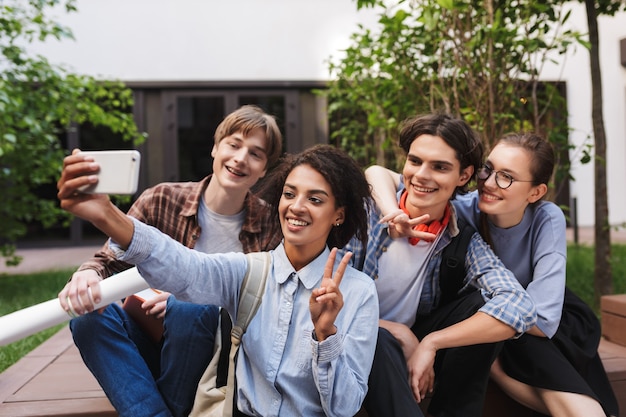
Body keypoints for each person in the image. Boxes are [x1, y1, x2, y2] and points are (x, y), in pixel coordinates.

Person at [57, 144, 379, 417]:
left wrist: (326, 337)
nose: (296, 206)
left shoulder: (358, 291)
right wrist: (107, 215)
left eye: (315, 199)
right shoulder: (249, 271)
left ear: (339, 214)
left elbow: (345, 408)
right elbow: (185, 267)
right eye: (290, 194)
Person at [367, 132, 618, 416]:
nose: (488, 182)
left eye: (506, 177)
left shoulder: (545, 217)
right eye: (488, 169)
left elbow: (543, 318)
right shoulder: (460, 206)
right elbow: (377, 173)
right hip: (491, 314)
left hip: (548, 320)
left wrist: (442, 342)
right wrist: (391, 212)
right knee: (493, 333)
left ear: (535, 192)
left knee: (515, 348)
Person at [57, 104, 284, 417]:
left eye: (256, 154)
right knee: (87, 317)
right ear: (216, 148)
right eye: (233, 144)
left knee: (190, 307)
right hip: (149, 338)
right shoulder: (161, 198)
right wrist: (89, 274)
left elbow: (270, 304)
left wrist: (185, 297)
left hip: (214, 359)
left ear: (263, 169)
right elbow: (108, 259)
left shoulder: (272, 224)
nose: (241, 158)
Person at [341, 113, 537, 417]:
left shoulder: (461, 240)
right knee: (380, 341)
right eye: (415, 161)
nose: (421, 175)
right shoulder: (364, 214)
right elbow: (318, 292)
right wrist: (397, 332)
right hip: (350, 337)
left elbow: (519, 306)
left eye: (440, 167)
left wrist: (430, 343)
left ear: (463, 176)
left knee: (477, 305)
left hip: (416, 342)